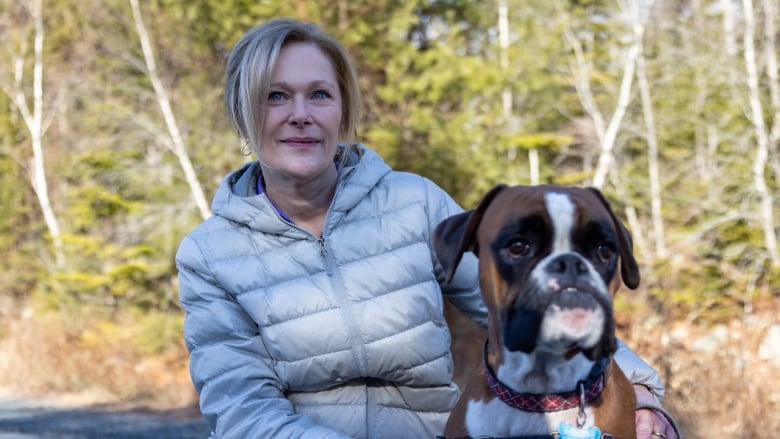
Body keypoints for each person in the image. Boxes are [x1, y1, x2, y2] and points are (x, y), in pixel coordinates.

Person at [176, 18, 680, 439]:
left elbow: (514, 301)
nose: (301, 115)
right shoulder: (209, 252)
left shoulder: (412, 202)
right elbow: (242, 409)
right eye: (276, 96)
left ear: (343, 110)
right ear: (243, 114)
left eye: (320, 95)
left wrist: (639, 390)